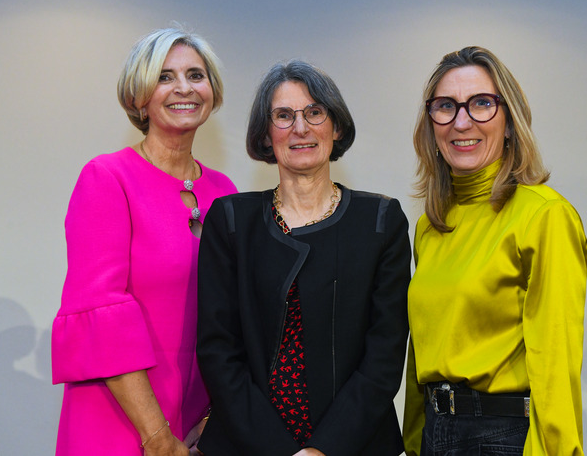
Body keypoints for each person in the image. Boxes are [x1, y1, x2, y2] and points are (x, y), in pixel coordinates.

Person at [195, 60, 411, 456]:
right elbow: (218, 352)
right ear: (265, 135)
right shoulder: (229, 221)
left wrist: (320, 450)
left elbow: (384, 355)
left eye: (315, 112)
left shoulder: (381, 220)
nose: (301, 128)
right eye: (283, 116)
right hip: (246, 445)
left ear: (337, 126)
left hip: (356, 445)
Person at [51, 27, 237, 455]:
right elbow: (101, 313)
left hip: (202, 430)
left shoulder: (226, 192)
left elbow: (235, 317)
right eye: (165, 77)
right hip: (120, 422)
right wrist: (157, 437)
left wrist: (213, 424)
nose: (184, 88)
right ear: (139, 96)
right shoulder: (107, 178)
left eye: (195, 74)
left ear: (212, 90)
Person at [403, 46, 587, 455]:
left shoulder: (543, 216)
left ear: (509, 122)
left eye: (482, 104)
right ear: (430, 124)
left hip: (503, 438)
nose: (461, 121)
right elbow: (421, 355)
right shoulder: (430, 225)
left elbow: (555, 363)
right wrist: (415, 442)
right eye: (445, 106)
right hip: (437, 433)